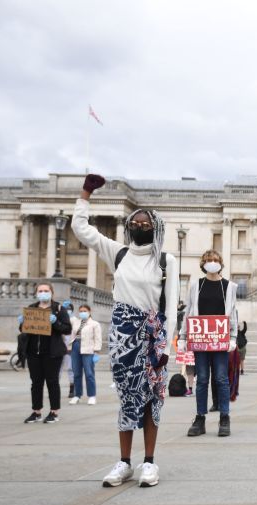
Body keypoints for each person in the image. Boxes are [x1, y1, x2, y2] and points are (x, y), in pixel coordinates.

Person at [72, 174, 179, 489]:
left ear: (156, 229)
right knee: (126, 397)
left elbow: (170, 306)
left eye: (146, 225)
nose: (140, 227)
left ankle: (149, 462)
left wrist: (167, 348)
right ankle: (123, 462)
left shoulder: (165, 260)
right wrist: (86, 194)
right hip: (121, 335)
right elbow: (81, 229)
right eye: (135, 222)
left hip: (151, 337)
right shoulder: (117, 253)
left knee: (150, 400)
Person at [179, 250, 238, 438]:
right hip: (200, 339)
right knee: (202, 379)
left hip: (220, 339)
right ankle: (200, 418)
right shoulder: (196, 285)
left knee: (221, 378)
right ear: (203, 264)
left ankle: (224, 417)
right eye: (208, 260)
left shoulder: (229, 286)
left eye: (215, 260)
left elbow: (233, 313)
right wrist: (182, 336)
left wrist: (233, 337)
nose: (212, 263)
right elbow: (188, 311)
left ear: (221, 262)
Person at [18, 282, 72, 423]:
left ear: (51, 292)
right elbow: (24, 329)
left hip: (52, 352)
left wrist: (55, 322)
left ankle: (54, 412)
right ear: (36, 293)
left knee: (52, 382)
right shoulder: (32, 308)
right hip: (33, 352)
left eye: (46, 290)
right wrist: (22, 323)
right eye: (40, 290)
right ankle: (36, 412)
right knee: (36, 383)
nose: (43, 293)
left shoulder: (59, 309)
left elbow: (67, 329)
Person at [69, 304, 102, 405]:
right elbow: (68, 320)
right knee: (76, 373)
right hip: (75, 347)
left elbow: (98, 338)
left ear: (89, 311)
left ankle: (92, 395)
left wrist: (96, 352)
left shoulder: (94, 324)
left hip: (88, 349)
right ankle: (77, 395)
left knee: (89, 373)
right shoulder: (76, 321)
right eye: (81, 311)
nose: (82, 313)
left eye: (84, 311)